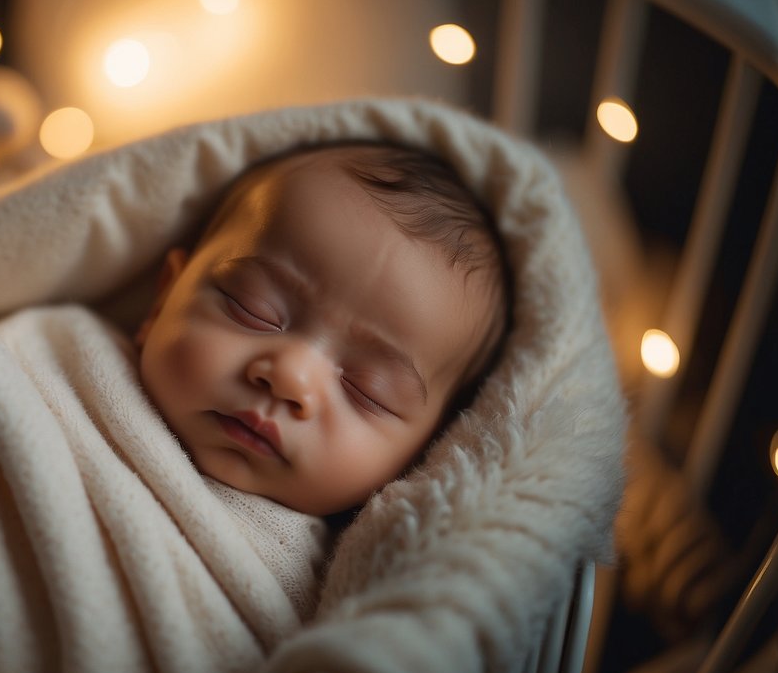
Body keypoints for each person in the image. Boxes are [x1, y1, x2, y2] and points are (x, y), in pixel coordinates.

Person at [136, 141, 511, 517]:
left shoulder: (361, 568)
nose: (291, 377)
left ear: (428, 450)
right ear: (165, 293)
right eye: (253, 309)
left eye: (367, 391)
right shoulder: (78, 368)